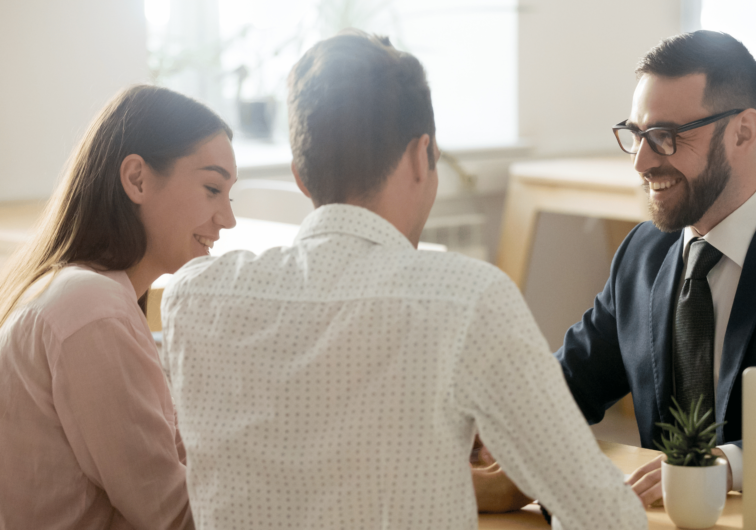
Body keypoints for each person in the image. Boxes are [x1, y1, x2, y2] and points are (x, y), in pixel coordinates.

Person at [160, 30, 646, 530]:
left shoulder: (191, 298)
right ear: (423, 155)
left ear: (301, 176)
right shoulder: (468, 299)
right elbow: (605, 515)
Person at [478, 30, 756, 509]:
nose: (642, 161)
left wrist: (728, 464)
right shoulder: (642, 253)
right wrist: (486, 431)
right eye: (637, 134)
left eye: (665, 137)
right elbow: (567, 384)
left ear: (743, 133)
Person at [0, 85, 237, 529]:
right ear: (137, 180)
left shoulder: (81, 293)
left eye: (230, 195)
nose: (228, 218)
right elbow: (175, 517)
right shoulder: (92, 308)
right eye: (212, 189)